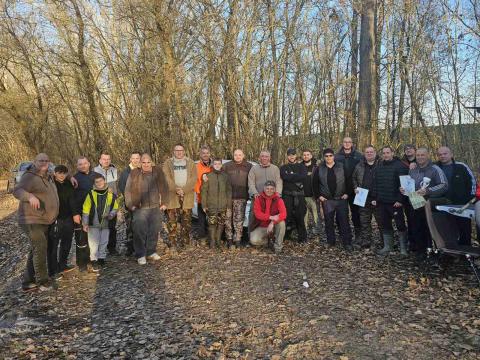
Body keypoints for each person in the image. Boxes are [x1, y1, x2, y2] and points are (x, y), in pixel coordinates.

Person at [14, 153, 59, 291]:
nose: (44, 163)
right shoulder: (29, 176)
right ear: (35, 162)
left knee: (36, 249)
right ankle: (43, 282)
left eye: (46, 160)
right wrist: (30, 196)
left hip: (44, 220)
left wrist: (70, 177)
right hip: (31, 219)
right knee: (40, 248)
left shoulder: (48, 175)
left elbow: (61, 173)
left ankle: (28, 282)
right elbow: (17, 190)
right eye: (41, 160)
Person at [401, 147, 448, 258]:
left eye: (423, 155)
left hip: (430, 204)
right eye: (418, 155)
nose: (420, 157)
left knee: (431, 229)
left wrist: (427, 191)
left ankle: (435, 252)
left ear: (428, 155)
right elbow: (409, 186)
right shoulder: (412, 169)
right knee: (416, 227)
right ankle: (420, 251)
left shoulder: (435, 169)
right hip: (415, 202)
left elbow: (444, 185)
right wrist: (404, 190)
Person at [125, 153, 165, 265]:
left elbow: (164, 187)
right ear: (140, 163)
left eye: (148, 162)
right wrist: (130, 204)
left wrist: (164, 202)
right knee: (139, 231)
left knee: (154, 230)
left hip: (155, 207)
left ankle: (151, 252)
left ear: (151, 162)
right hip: (140, 208)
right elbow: (127, 190)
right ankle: (141, 254)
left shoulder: (157, 172)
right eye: (144, 162)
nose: (146, 164)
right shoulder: (134, 173)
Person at [313, 148, 353, 251]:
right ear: (323, 157)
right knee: (328, 222)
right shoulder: (319, 168)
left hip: (341, 199)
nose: (328, 157)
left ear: (334, 156)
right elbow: (314, 184)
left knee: (344, 221)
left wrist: (347, 193)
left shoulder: (341, 166)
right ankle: (331, 242)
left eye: (330, 155)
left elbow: (349, 180)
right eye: (326, 156)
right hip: (327, 201)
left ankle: (347, 242)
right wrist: (319, 196)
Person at [436, 146, 476, 246]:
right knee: (447, 230)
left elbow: (472, 182)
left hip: (462, 205)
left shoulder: (461, 166)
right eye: (440, 154)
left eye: (445, 154)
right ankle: (452, 253)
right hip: (443, 205)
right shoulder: (435, 167)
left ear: (451, 154)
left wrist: (470, 200)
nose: (442, 156)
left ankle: (466, 251)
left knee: (464, 229)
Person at [373, 146, 409, 256]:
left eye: (388, 152)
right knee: (385, 224)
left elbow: (404, 185)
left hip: (395, 202)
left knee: (400, 225)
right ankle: (387, 246)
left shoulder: (400, 166)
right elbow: (375, 184)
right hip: (382, 202)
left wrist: (400, 200)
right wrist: (375, 198)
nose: (385, 155)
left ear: (392, 153)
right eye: (383, 153)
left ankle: (403, 248)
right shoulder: (379, 167)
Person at [163, 143, 197, 253]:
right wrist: (176, 189)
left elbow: (194, 178)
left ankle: (185, 242)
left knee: (186, 222)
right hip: (172, 196)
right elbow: (166, 177)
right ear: (174, 151)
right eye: (177, 150)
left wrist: (184, 190)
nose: (179, 152)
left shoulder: (190, 163)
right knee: (172, 222)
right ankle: (173, 244)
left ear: (184, 151)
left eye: (181, 150)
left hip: (187, 196)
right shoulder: (168, 163)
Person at [82, 174, 118, 272]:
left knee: (104, 241)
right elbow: (86, 209)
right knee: (93, 243)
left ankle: (101, 258)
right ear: (94, 183)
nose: (99, 183)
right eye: (97, 182)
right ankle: (93, 260)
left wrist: (111, 215)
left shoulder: (111, 194)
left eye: (101, 181)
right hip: (93, 223)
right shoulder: (90, 194)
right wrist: (85, 223)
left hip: (106, 222)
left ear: (104, 181)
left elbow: (115, 207)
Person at [352, 145, 382, 249]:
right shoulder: (359, 165)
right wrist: (355, 188)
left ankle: (384, 242)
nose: (369, 154)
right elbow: (354, 178)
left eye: (371, 152)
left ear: (375, 153)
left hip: (378, 198)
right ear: (364, 154)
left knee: (381, 222)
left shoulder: (381, 164)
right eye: (367, 152)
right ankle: (366, 241)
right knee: (364, 222)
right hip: (363, 197)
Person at [48, 165, 76, 277]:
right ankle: (52, 269)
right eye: (59, 173)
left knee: (67, 242)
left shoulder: (69, 183)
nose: (61, 175)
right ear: (55, 173)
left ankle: (63, 264)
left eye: (64, 173)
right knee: (53, 244)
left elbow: (73, 199)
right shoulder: (50, 183)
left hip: (68, 217)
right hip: (56, 218)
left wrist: (75, 214)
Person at [335, 137, 363, 239]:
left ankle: (359, 234)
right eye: (345, 142)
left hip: (357, 190)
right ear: (342, 143)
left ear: (352, 143)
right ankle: (343, 234)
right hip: (341, 190)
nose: (347, 144)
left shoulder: (358, 155)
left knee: (357, 213)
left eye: (349, 142)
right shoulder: (337, 156)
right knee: (341, 213)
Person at [223, 149, 252, 248]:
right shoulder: (227, 166)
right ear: (233, 155)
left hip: (241, 197)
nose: (238, 156)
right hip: (227, 197)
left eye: (240, 155)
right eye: (236, 155)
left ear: (243, 155)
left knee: (239, 220)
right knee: (227, 219)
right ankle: (229, 239)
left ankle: (238, 240)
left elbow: (252, 181)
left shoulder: (249, 166)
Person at [201, 158, 232, 248]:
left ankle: (218, 240)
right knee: (212, 223)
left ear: (221, 165)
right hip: (212, 205)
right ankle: (212, 242)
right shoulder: (208, 176)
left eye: (219, 164)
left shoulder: (225, 176)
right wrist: (204, 204)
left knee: (221, 223)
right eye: (215, 164)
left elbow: (229, 191)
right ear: (212, 165)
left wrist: (228, 205)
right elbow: (204, 191)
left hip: (223, 205)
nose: (217, 165)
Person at [73, 157, 97, 272]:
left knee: (93, 238)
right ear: (77, 166)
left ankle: (93, 260)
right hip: (81, 213)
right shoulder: (74, 179)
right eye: (80, 164)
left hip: (95, 212)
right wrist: (75, 213)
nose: (83, 166)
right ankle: (81, 262)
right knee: (81, 239)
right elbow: (72, 199)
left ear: (89, 163)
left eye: (85, 163)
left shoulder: (96, 176)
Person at [249, 180, 286, 254]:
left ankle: (278, 247)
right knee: (254, 240)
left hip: (274, 226)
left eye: (272, 189)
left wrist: (272, 222)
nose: (269, 190)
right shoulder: (258, 199)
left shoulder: (279, 199)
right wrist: (271, 217)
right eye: (267, 188)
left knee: (282, 223)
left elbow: (283, 214)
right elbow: (258, 214)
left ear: (275, 189)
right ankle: (267, 241)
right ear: (264, 188)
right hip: (262, 226)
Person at [94, 152, 119, 255]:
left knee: (112, 227)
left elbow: (117, 186)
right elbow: (94, 188)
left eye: (108, 159)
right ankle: (100, 249)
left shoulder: (114, 170)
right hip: (100, 203)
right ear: (100, 160)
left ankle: (112, 248)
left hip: (113, 203)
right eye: (104, 159)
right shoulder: (95, 171)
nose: (106, 161)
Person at [280, 148, 307, 243]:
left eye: (293, 154)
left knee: (300, 216)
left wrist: (290, 176)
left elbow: (303, 176)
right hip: (287, 195)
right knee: (286, 216)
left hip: (299, 195)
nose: (291, 156)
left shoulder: (301, 166)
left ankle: (302, 237)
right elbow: (284, 176)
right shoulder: (283, 167)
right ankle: (285, 236)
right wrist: (296, 176)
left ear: (296, 155)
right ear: (287, 156)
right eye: (289, 155)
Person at [118, 151, 141, 256]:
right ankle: (130, 248)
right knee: (130, 226)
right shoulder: (125, 173)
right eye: (134, 158)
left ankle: (141, 248)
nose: (136, 160)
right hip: (130, 204)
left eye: (137, 158)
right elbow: (122, 188)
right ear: (130, 159)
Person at [194, 145, 213, 243]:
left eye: (207, 153)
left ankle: (212, 237)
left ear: (210, 154)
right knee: (201, 219)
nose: (205, 155)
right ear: (200, 154)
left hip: (213, 197)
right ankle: (202, 237)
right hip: (201, 197)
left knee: (212, 219)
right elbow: (195, 182)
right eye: (203, 153)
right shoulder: (196, 167)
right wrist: (198, 194)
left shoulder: (214, 166)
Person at [302, 149, 321, 235]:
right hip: (302, 196)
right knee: (304, 215)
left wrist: (319, 194)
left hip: (313, 196)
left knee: (315, 215)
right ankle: (304, 231)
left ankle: (317, 232)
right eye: (304, 155)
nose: (306, 156)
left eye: (308, 154)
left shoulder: (316, 167)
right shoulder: (299, 167)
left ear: (311, 156)